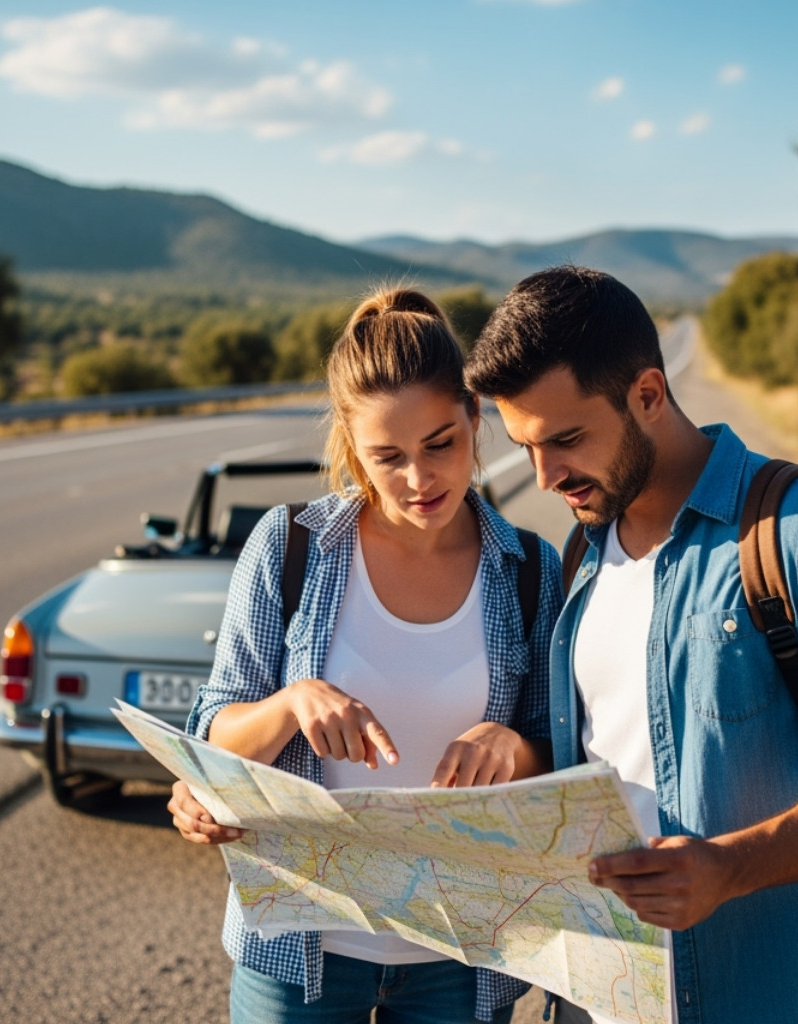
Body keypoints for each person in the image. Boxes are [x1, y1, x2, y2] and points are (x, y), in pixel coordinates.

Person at [462, 266, 798, 1024]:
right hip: (598, 994)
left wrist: (729, 867)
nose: (546, 475)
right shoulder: (581, 552)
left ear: (649, 396)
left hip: (766, 992)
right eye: (525, 446)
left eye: (565, 440)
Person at [167, 287, 562, 1024]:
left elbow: (559, 759)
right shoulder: (290, 548)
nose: (420, 480)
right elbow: (214, 732)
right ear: (353, 448)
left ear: (475, 419)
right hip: (297, 947)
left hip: (462, 955)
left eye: (441, 444)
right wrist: (291, 703)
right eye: (388, 457)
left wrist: (511, 747)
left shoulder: (530, 570)